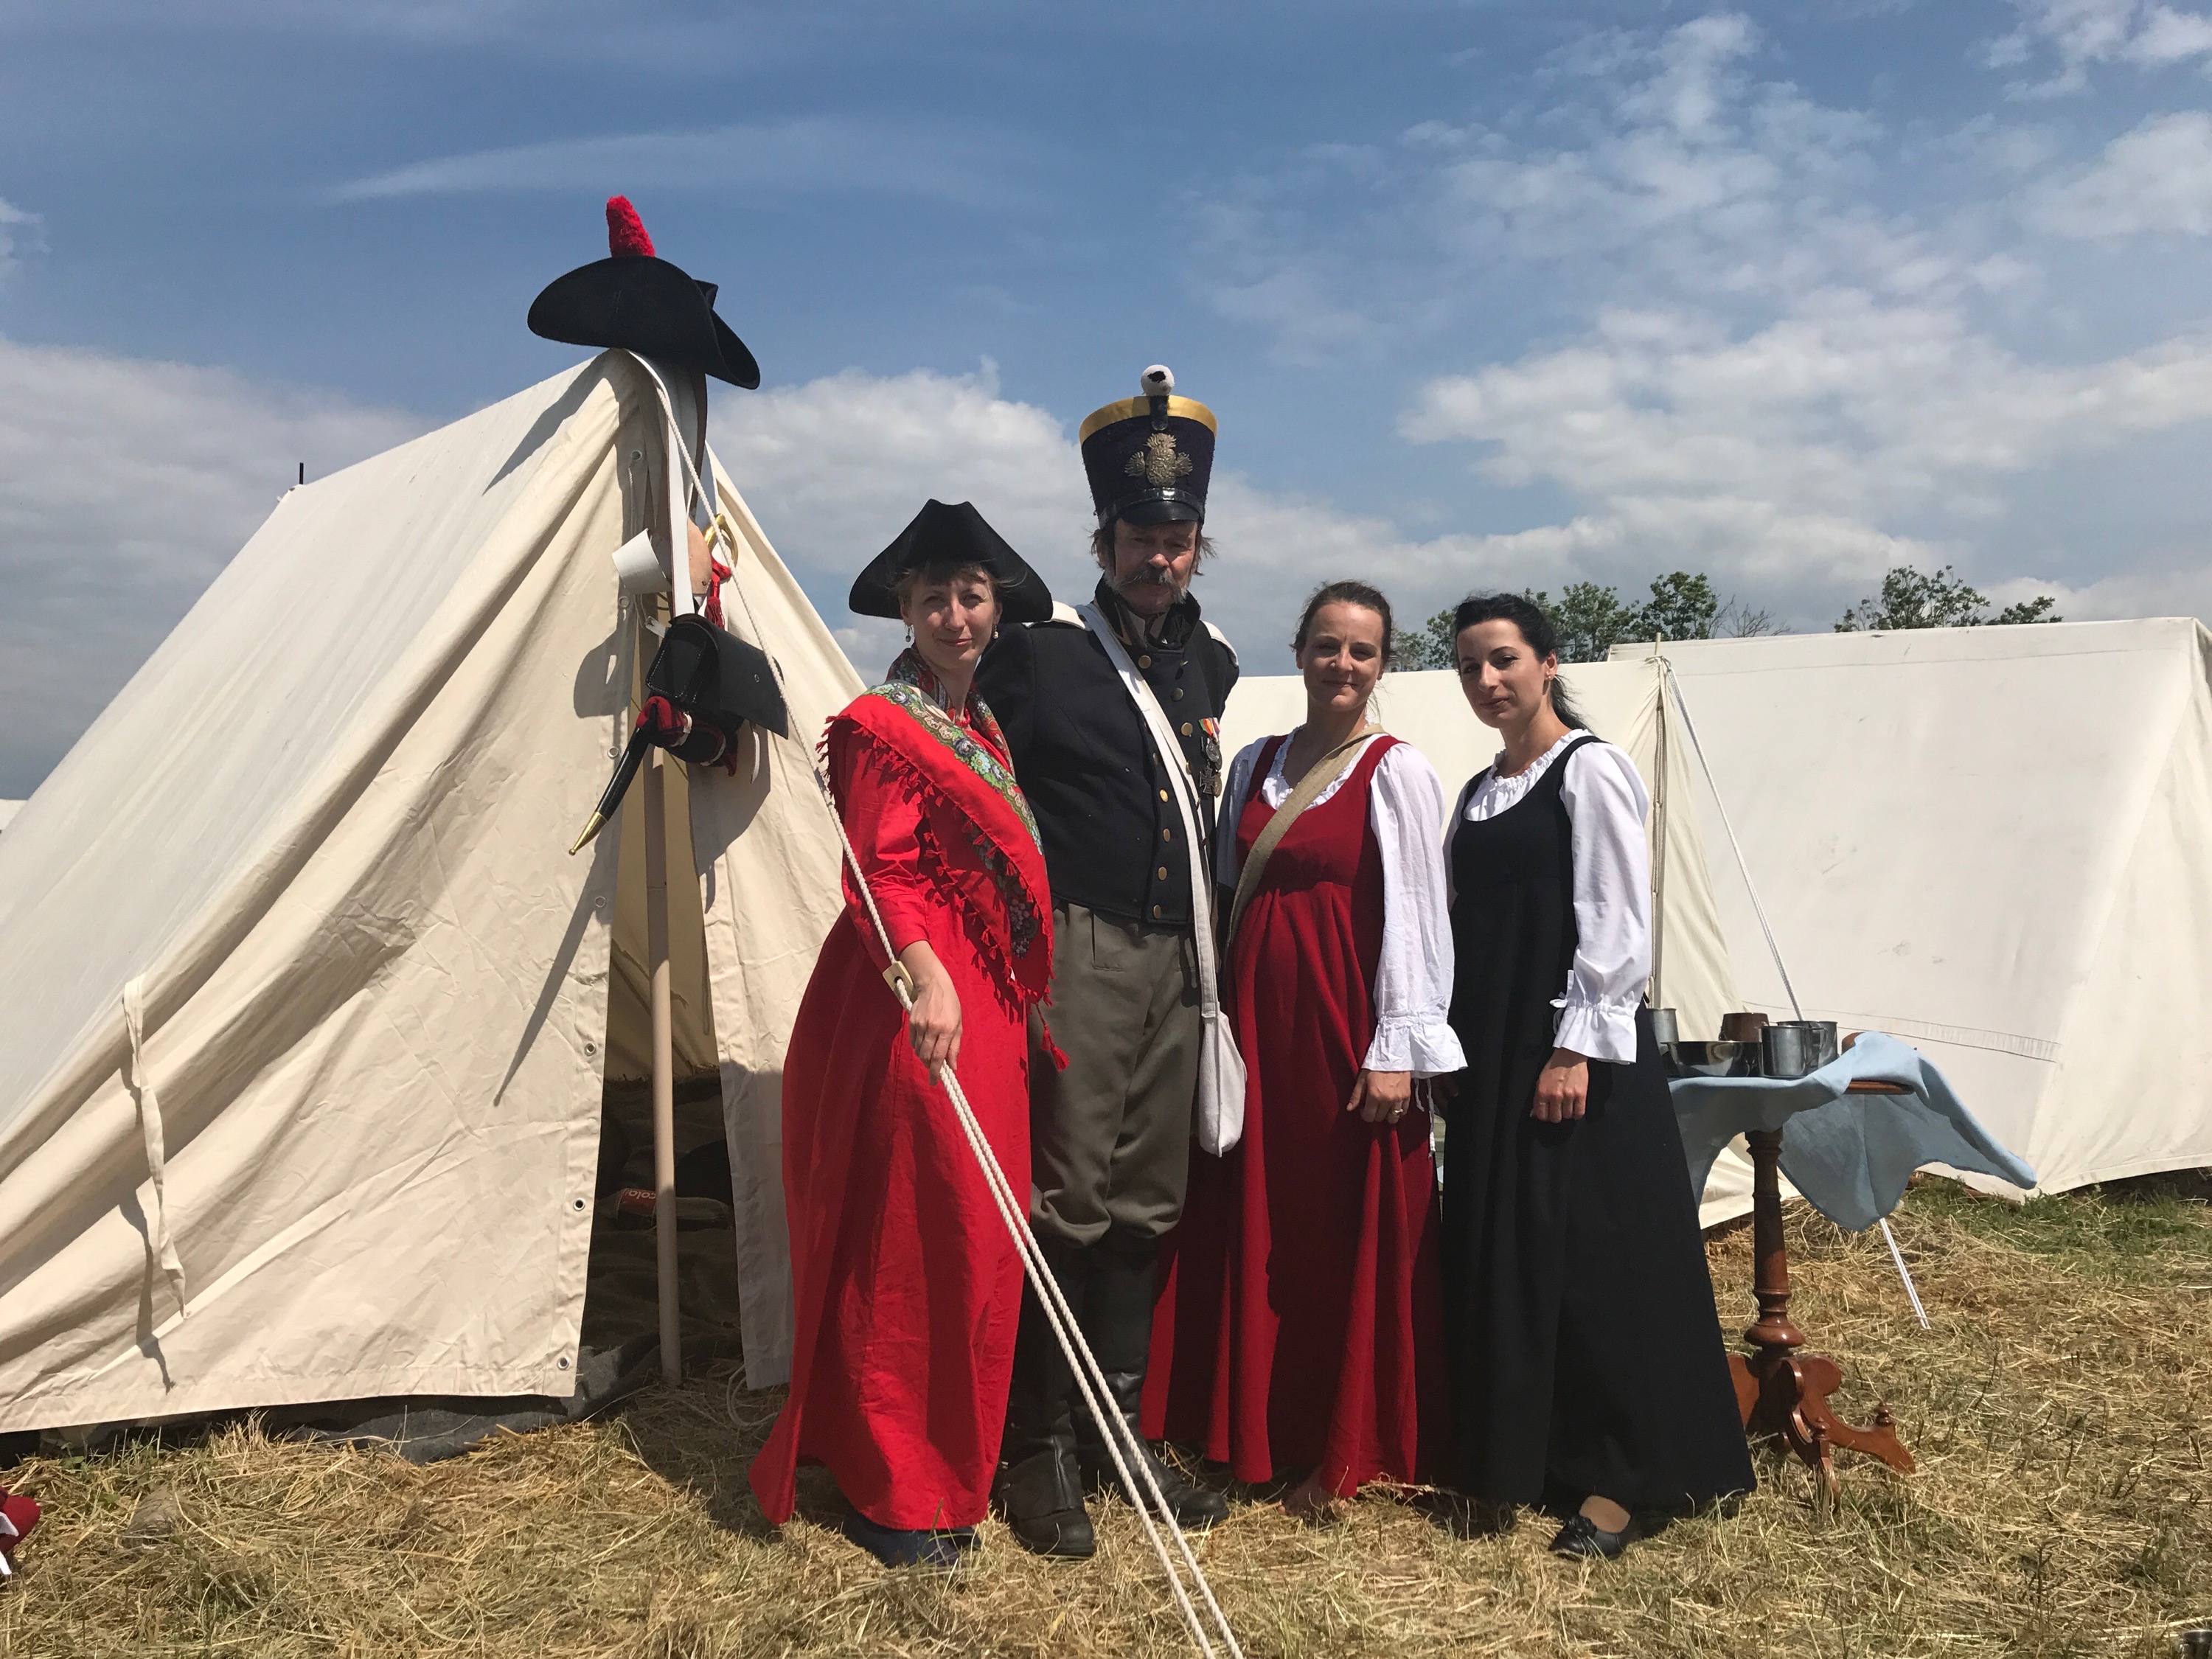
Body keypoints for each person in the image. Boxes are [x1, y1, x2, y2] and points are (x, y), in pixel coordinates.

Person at [749, 500, 1058, 1570]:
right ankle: (895, 1492)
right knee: (914, 1242)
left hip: (982, 1000)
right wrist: (929, 981)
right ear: (906, 609)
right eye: (935, 599)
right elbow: (881, 873)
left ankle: (946, 1465)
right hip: (915, 1000)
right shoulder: (881, 725)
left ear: (995, 608)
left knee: (977, 1238)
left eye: (971, 596)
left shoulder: (980, 728)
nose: (955, 615)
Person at [973, 366, 1237, 1557]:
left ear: (1197, 544)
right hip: (1080, 952)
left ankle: (1114, 1433)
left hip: (1183, 960)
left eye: (1175, 540)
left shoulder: (1209, 664)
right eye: (1138, 538)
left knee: (1148, 1202)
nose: (1157, 557)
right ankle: (1036, 1448)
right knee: (1070, 1200)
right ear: (1105, 541)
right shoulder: (1039, 656)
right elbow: (966, 766)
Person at [1436, 592, 1753, 1559]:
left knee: (1599, 1260)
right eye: (1469, 665)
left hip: (1572, 1053)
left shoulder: (1591, 768)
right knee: (1516, 1250)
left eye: (1503, 660)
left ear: (1547, 662)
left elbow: (1617, 920)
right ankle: (1538, 1455)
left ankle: (1629, 1478)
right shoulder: (1479, 790)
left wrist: (1575, 1045)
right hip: (1493, 1050)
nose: (1486, 680)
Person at [1144, 581, 1462, 1520]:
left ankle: (1342, 1443)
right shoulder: (1255, 763)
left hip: (1340, 1027)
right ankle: (1245, 1428)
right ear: (1300, 653)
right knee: (1252, 1214)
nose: (1343, 664)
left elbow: (1420, 916)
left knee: (1331, 1227)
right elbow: (1222, 892)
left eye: (1362, 651)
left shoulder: (1397, 771)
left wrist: (1398, 1046)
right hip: (1256, 1026)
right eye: (1328, 645)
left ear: (1383, 665)